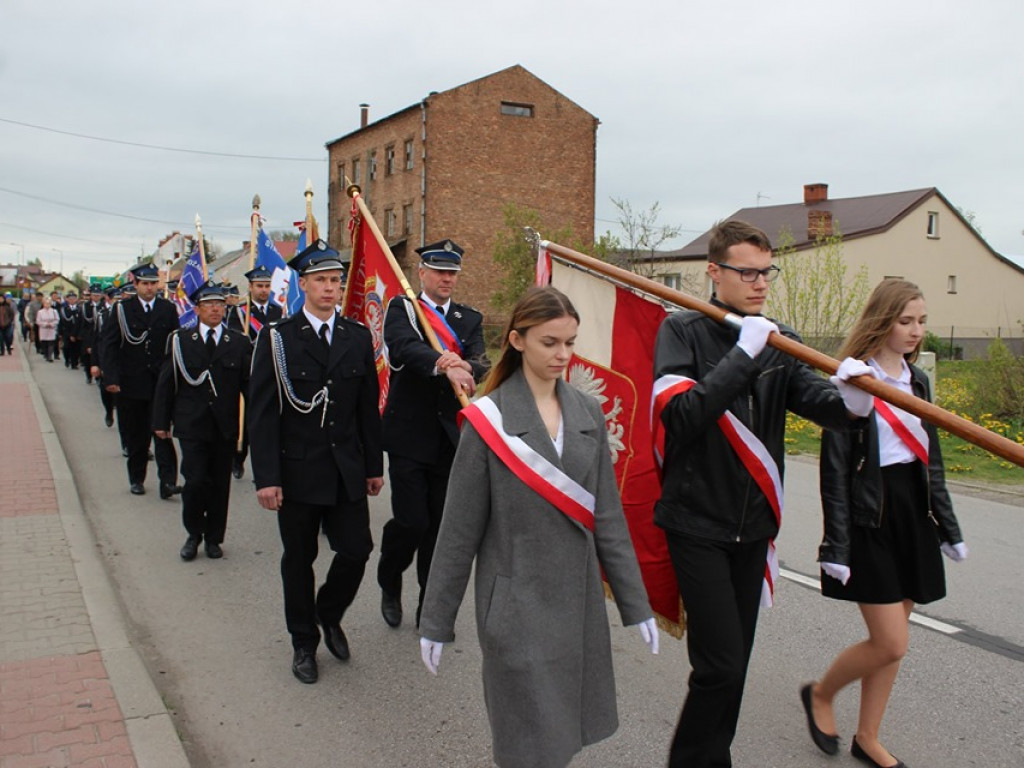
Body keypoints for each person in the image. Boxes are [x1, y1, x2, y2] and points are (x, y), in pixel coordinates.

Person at [651, 219, 875, 768]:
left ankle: (712, 758)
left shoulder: (780, 339)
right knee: (719, 666)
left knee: (736, 664)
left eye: (765, 272)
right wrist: (743, 355)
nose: (759, 283)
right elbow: (682, 417)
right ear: (714, 271)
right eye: (746, 272)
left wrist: (851, 399)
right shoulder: (682, 331)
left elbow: (818, 405)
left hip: (754, 527)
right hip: (696, 521)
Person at [418, 286, 657, 768]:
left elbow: (607, 517)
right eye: (550, 342)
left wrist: (637, 604)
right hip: (515, 608)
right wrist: (436, 621)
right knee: (528, 741)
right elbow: (458, 532)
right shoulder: (489, 421)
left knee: (562, 733)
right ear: (518, 340)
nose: (563, 354)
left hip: (576, 605)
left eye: (569, 342)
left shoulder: (588, 412)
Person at [800, 279, 967, 768]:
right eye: (905, 321)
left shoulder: (919, 382)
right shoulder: (852, 379)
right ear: (882, 320)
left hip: (913, 512)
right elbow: (833, 470)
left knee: (891, 647)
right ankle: (821, 695)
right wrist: (836, 544)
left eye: (922, 321)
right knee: (891, 640)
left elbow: (931, 460)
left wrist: (949, 527)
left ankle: (867, 737)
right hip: (870, 515)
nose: (916, 331)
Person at [248, 239, 384, 685]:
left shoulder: (357, 337)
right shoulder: (278, 340)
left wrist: (373, 466)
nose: (330, 288)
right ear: (302, 284)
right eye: (322, 281)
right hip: (297, 471)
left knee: (358, 549)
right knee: (299, 558)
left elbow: (367, 408)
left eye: (335, 281)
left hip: (346, 468)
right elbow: (264, 414)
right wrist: (266, 478)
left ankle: (329, 612)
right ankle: (303, 642)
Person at [377, 239, 489, 629]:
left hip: (450, 437)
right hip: (409, 435)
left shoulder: (468, 318)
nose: (446, 278)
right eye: (439, 271)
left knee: (439, 528)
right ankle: (389, 580)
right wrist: (444, 364)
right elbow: (404, 347)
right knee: (412, 522)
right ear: (421, 273)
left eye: (452, 273)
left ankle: (430, 604)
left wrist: (469, 369)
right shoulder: (404, 309)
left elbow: (480, 359)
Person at [153, 281, 252, 561]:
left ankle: (214, 538)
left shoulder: (239, 342)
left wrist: (256, 425)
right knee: (195, 482)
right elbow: (166, 383)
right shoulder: (180, 341)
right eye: (209, 304)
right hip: (192, 425)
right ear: (197, 309)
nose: (215, 309)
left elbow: (250, 388)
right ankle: (194, 533)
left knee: (220, 485)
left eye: (220, 304)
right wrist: (160, 421)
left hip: (224, 426)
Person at [99, 263, 182, 498]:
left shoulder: (167, 309)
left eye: (153, 283)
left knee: (163, 432)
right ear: (135, 284)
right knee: (137, 436)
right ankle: (137, 478)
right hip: (131, 383)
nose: (150, 288)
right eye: (145, 283)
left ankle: (167, 482)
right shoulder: (122, 310)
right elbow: (109, 345)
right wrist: (111, 378)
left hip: (160, 384)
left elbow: (175, 344)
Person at [227, 265, 283, 479]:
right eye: (259, 286)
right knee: (243, 420)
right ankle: (238, 458)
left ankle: (265, 466)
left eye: (267, 286)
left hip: (271, 372)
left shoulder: (278, 311)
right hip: (247, 372)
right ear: (250, 287)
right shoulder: (240, 311)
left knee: (267, 422)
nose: (263, 290)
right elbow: (234, 341)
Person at [80, 284, 105, 383]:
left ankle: (98, 377)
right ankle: (88, 375)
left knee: (98, 355)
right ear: (91, 295)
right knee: (87, 357)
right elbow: (83, 322)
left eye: (98, 295)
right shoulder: (86, 306)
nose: (96, 297)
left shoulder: (103, 306)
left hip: (99, 333)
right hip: (88, 334)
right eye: (94, 295)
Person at [58, 291, 84, 369]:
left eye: (74, 299)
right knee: (66, 347)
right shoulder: (64, 309)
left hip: (77, 332)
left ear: (76, 299)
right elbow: (61, 322)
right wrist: (60, 333)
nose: (72, 300)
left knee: (76, 349)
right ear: (67, 300)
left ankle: (74, 364)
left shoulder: (80, 309)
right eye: (70, 299)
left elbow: (81, 322)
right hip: (67, 332)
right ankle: (67, 359)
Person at [36, 297, 59, 362]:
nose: (47, 305)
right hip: (43, 329)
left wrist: (52, 324)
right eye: (46, 303)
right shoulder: (40, 312)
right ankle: (46, 354)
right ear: (43, 304)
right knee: (44, 343)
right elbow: (38, 321)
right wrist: (45, 324)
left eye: (48, 303)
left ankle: (50, 356)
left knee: (51, 343)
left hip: (51, 329)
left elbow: (57, 319)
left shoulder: (54, 311)